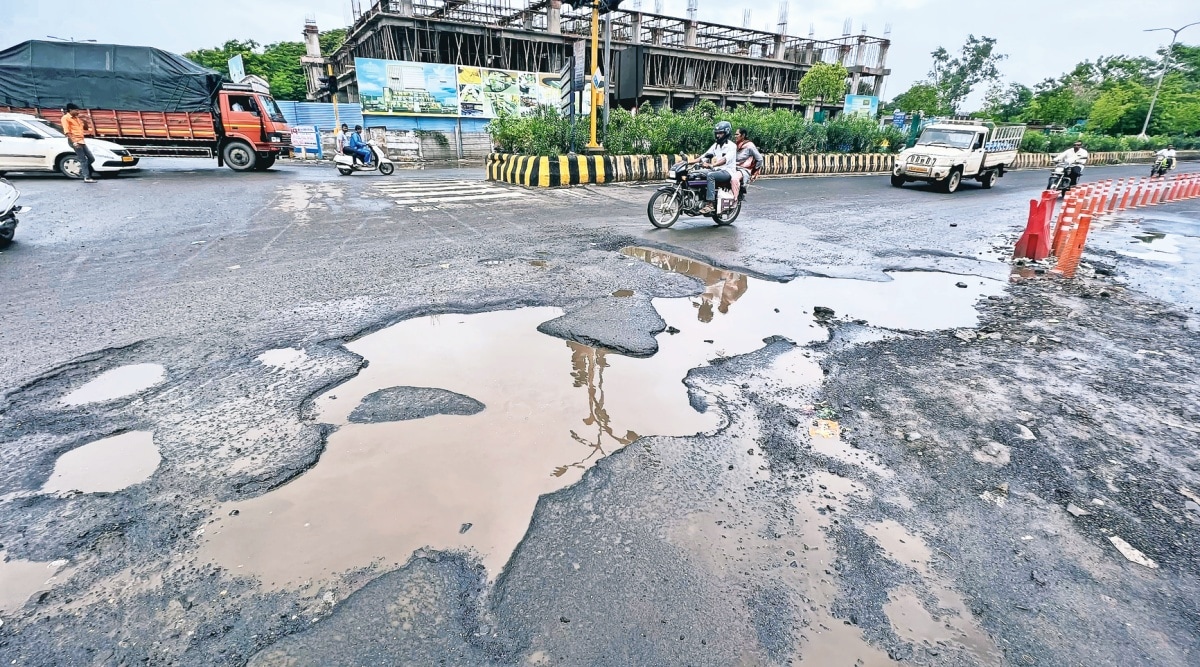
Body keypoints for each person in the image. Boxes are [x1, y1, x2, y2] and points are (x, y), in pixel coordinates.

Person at [698, 121, 737, 214]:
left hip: (727, 172)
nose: (718, 136)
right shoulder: (716, 145)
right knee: (698, 174)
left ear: (727, 133)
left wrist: (712, 165)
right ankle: (700, 198)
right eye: (717, 133)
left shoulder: (732, 146)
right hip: (717, 170)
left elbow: (724, 160)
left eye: (720, 133)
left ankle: (710, 204)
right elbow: (703, 156)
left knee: (711, 175)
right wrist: (687, 162)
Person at [61, 103, 96, 183]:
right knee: (83, 159)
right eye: (76, 110)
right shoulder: (65, 118)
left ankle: (80, 171)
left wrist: (85, 120)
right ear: (70, 110)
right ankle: (86, 177)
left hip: (81, 140)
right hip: (74, 140)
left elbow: (86, 128)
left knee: (91, 158)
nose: (78, 112)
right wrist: (74, 142)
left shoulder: (77, 118)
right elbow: (67, 131)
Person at [732, 127, 764, 201]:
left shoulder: (750, 146)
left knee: (734, 179)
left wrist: (754, 171)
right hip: (733, 168)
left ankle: (734, 199)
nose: (735, 136)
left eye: (737, 134)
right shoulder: (735, 145)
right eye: (735, 134)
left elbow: (760, 159)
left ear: (743, 135)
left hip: (743, 169)